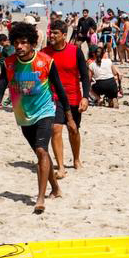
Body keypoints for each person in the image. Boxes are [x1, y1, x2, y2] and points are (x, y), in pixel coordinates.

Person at [0, 21, 74, 213]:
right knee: (41, 153)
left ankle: (40, 198)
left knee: (42, 151)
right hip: (24, 116)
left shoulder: (45, 62)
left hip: (45, 111)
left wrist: (69, 117)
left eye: (24, 42)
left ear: (33, 43)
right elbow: (1, 87)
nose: (19, 46)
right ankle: (56, 189)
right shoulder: (8, 63)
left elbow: (59, 89)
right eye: (16, 42)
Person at [43, 19, 90, 175]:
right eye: (51, 32)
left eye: (55, 33)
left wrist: (86, 97)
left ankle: (76, 159)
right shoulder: (44, 52)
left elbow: (84, 75)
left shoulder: (75, 51)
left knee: (73, 130)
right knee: (55, 128)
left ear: (64, 35)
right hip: (53, 97)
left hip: (73, 96)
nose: (52, 35)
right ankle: (61, 166)